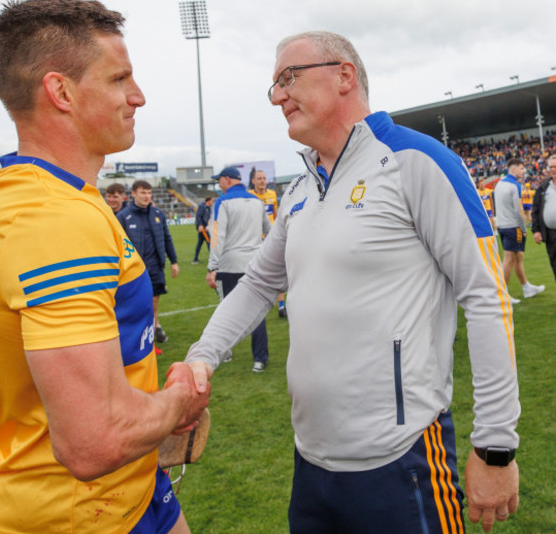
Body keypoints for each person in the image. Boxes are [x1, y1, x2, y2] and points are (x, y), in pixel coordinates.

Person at [187, 31, 521, 533]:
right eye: (274, 85)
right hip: (310, 462)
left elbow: (486, 298)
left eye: (288, 77)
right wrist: (200, 359)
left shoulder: (417, 161)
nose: (278, 95)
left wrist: (495, 447)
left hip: (403, 459)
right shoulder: (302, 188)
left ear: (344, 75)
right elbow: (257, 284)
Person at [0, 0, 209, 534]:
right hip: (80, 513)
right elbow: (95, 441)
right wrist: (178, 402)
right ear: (61, 91)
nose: (137, 96)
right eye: (119, 79)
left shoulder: (28, 193)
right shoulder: (55, 218)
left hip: (129, 493)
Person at [206, 166, 271, 373]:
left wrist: (211, 266)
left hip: (230, 265)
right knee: (256, 313)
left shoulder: (223, 201)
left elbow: (218, 236)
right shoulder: (256, 201)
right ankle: (260, 359)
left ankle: (224, 351)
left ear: (227, 179)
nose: (219, 184)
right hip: (254, 263)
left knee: (226, 311)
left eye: (220, 181)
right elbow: (269, 232)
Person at [119, 180, 179, 345]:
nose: (147, 196)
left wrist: (174, 261)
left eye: (149, 193)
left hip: (155, 266)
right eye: (143, 193)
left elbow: (166, 238)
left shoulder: (157, 214)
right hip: (135, 270)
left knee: (153, 300)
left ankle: (154, 326)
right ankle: (144, 331)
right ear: (133, 194)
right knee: (138, 302)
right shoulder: (123, 216)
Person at [494, 158, 545, 303]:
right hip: (513, 227)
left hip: (503, 226)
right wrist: (523, 228)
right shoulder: (515, 186)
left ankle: (526, 287)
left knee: (518, 257)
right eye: (522, 168)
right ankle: (502, 296)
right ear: (514, 169)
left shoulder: (499, 184)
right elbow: (518, 210)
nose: (524, 171)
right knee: (509, 259)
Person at [249, 169, 287, 318]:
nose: (262, 181)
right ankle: (256, 303)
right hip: (256, 239)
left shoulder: (272, 195)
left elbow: (276, 215)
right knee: (257, 271)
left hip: (271, 237)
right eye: (259, 178)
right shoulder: (250, 196)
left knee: (279, 268)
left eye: (264, 178)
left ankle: (281, 305)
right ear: (253, 181)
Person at [531, 153, 556, 279]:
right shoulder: (543, 188)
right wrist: (536, 230)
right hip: (551, 234)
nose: (553, 169)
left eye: (555, 166)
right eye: (551, 167)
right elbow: (535, 210)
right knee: (555, 264)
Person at [192, 196, 213, 264]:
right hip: (202, 228)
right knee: (208, 241)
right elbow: (198, 216)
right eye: (212, 200)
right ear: (208, 201)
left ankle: (195, 259)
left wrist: (208, 226)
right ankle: (213, 259)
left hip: (205, 227)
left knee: (200, 243)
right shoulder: (202, 206)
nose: (212, 202)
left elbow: (209, 218)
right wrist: (200, 225)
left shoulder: (209, 208)